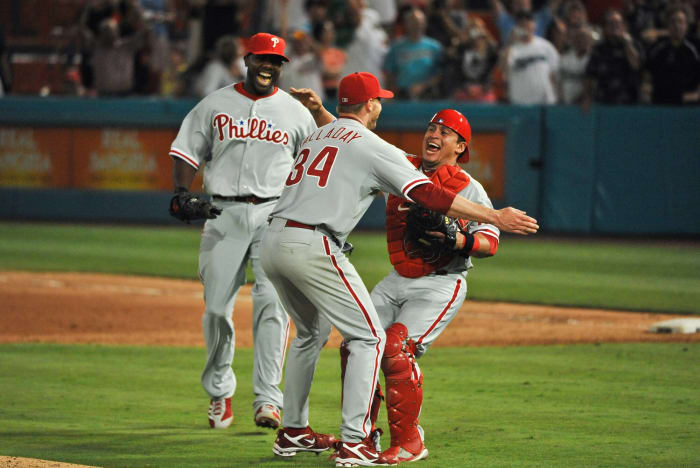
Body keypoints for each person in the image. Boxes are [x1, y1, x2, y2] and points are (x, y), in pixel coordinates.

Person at [262, 72, 538, 465]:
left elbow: (488, 243)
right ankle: (361, 439)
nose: (435, 133)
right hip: (340, 255)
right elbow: (381, 159)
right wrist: (496, 215)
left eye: (446, 131)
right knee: (364, 342)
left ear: (461, 146)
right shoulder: (392, 157)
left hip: (433, 281)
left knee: (368, 343)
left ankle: (396, 439)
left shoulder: (467, 186)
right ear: (371, 104)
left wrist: (458, 239)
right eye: (432, 126)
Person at [167, 32, 318, 431]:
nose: (269, 66)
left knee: (273, 306)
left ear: (282, 67)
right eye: (262, 59)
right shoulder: (215, 104)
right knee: (216, 308)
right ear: (247, 60)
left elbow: (312, 174)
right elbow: (185, 151)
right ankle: (220, 391)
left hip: (275, 215)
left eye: (276, 61)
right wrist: (182, 192)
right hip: (222, 213)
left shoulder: (297, 114)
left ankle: (269, 399)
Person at [582, 9, 642, 108]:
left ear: (623, 25)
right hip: (605, 102)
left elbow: (636, 65)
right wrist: (587, 96)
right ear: (605, 27)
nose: (615, 26)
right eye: (610, 23)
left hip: (630, 102)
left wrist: (627, 43)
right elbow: (590, 75)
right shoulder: (599, 49)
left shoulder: (634, 45)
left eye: (618, 23)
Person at [383, 7, 444, 100]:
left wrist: (423, 86)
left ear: (424, 23)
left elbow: (440, 73)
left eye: (419, 22)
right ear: (406, 24)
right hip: (402, 94)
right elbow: (389, 72)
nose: (416, 25)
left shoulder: (434, 47)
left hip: (427, 95)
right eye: (413, 22)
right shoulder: (396, 47)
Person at [644, 6, 700, 105]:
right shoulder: (657, 49)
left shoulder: (695, 49)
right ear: (667, 26)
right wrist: (647, 92)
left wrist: (688, 97)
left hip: (688, 106)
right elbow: (647, 77)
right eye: (673, 22)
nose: (677, 26)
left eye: (680, 22)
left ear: (686, 25)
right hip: (660, 105)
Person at [502, 10, 560, 104]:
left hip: (545, 102)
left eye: (528, 23)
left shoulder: (546, 46)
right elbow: (504, 70)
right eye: (522, 24)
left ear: (534, 25)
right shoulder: (511, 49)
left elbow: (555, 73)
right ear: (516, 27)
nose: (525, 27)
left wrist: (556, 96)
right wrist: (509, 42)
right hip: (519, 102)